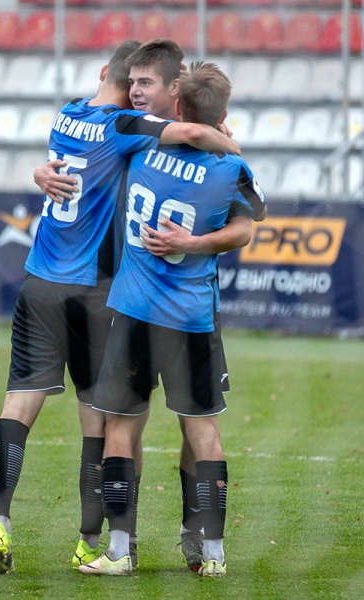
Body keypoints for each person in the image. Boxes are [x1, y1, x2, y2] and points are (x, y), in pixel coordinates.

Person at [0, 40, 241, 575]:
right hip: (113, 295)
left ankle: (181, 534)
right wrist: (230, 145)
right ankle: (110, 540)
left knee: (175, 427)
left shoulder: (78, 115)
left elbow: (239, 217)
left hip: (71, 286)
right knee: (118, 425)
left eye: (147, 84)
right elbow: (202, 146)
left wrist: (39, 173)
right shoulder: (136, 133)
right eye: (135, 84)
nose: (137, 93)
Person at [78, 61, 267, 577]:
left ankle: (120, 551)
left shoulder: (140, 145)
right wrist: (197, 242)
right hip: (192, 318)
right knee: (203, 433)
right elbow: (249, 225)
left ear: (178, 103)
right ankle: (213, 554)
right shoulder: (231, 168)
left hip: (135, 311)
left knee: (120, 428)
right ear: (223, 114)